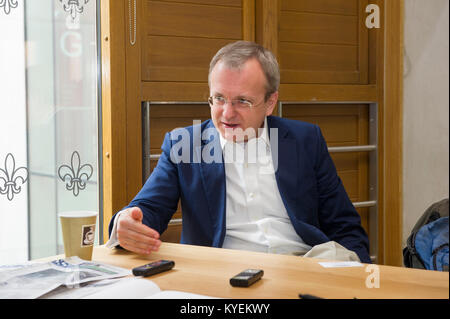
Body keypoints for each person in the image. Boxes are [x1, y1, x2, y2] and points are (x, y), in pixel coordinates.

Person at [106, 41, 371, 263]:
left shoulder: (305, 140)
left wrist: (352, 275)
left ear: (270, 103)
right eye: (219, 98)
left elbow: (345, 226)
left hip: (302, 267)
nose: (227, 113)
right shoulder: (183, 145)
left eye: (242, 101)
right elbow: (147, 209)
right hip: (222, 273)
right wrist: (126, 223)